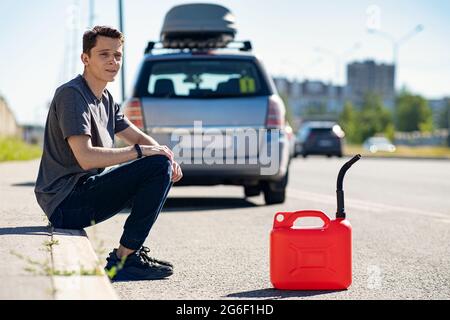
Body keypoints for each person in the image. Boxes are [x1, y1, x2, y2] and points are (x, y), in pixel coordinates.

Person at [34, 26, 183, 281]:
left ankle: (128, 256)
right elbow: (86, 157)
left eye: (118, 55)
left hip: (83, 192)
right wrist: (143, 153)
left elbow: (138, 137)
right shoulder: (72, 95)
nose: (113, 61)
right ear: (85, 58)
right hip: (65, 202)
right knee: (156, 165)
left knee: (159, 163)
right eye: (104, 54)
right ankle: (125, 259)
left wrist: (165, 155)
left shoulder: (106, 98)